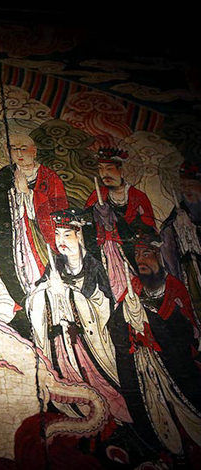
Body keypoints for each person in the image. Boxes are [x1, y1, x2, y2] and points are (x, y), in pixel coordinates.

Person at [26, 209, 130, 423]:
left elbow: (103, 304)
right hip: (63, 342)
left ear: (79, 236)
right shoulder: (55, 264)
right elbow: (35, 297)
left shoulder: (93, 266)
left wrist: (67, 292)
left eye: (67, 235)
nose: (61, 241)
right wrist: (48, 289)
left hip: (91, 339)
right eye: (57, 235)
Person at [108, 230, 201, 464]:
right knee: (156, 415)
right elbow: (116, 325)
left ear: (159, 255)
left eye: (146, 254)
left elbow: (188, 332)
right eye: (137, 255)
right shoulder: (133, 288)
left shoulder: (175, 288)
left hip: (176, 367)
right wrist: (128, 315)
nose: (141, 260)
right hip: (146, 368)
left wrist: (151, 318)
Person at [0, 130, 68, 335]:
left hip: (41, 237)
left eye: (23, 149)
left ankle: (48, 308)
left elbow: (60, 209)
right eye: (14, 149)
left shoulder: (49, 177)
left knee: (41, 271)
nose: (19, 154)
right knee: (16, 268)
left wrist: (29, 194)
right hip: (16, 235)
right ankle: (24, 307)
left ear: (34, 151)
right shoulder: (6, 174)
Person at [85, 147, 155, 302]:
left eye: (109, 169)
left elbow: (149, 227)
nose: (104, 174)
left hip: (132, 252)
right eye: (101, 169)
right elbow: (87, 225)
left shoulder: (137, 197)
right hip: (105, 252)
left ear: (121, 170)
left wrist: (122, 223)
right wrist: (95, 214)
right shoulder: (97, 196)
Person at [160, 161, 201, 322]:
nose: (186, 190)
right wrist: (177, 227)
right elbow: (168, 249)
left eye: (191, 185)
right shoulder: (176, 219)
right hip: (192, 272)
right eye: (183, 185)